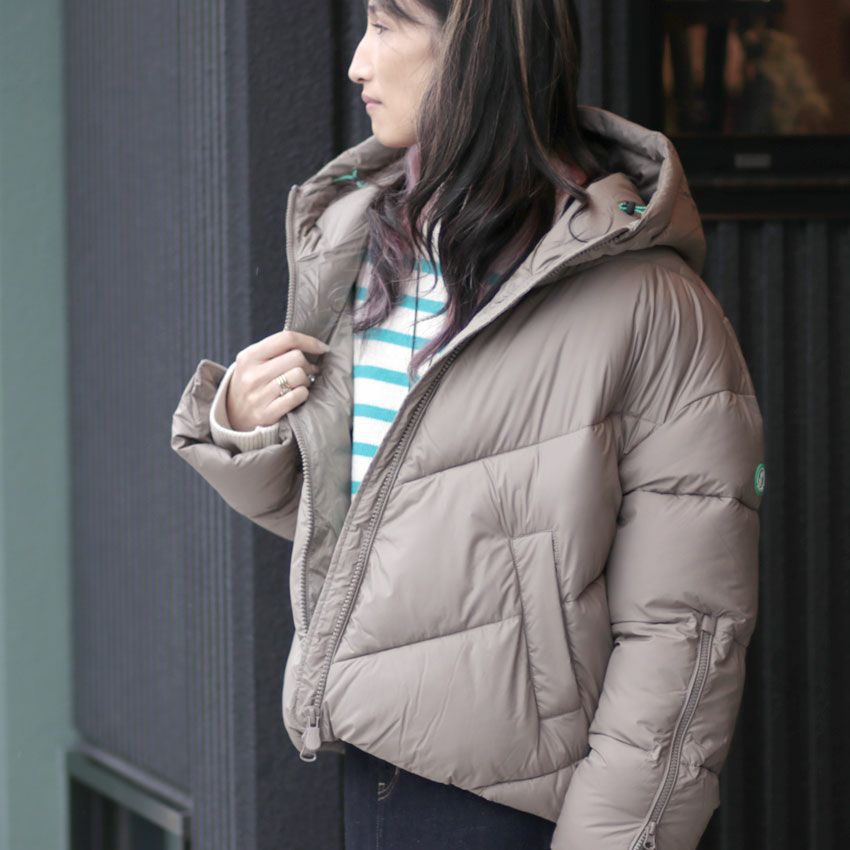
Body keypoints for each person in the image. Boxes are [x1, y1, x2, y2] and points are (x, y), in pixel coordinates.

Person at [170, 1, 765, 848]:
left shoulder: (650, 304)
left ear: (475, 46)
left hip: (524, 811)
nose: (357, 65)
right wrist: (243, 427)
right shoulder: (376, 257)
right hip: (373, 774)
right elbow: (383, 533)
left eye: (387, 25)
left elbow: (686, 634)